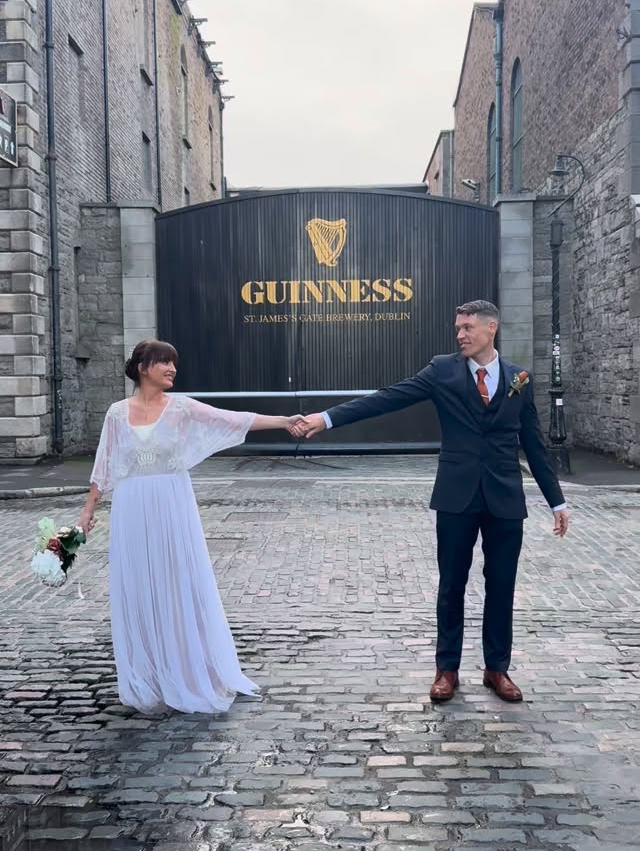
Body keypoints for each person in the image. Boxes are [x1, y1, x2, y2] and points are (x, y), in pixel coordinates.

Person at [294, 300, 569, 703]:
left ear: (491, 328)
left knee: (502, 585)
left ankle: (497, 669)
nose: (460, 334)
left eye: (468, 327)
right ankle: (447, 669)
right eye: (457, 327)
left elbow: (534, 445)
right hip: (456, 497)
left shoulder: (519, 379)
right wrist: (327, 418)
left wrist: (557, 502)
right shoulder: (442, 371)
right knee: (452, 585)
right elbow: (388, 398)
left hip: (505, 499)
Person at [78, 339, 304, 716]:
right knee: (139, 588)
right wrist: (87, 511)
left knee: (176, 584)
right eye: (164, 362)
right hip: (132, 509)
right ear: (142, 367)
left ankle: (185, 671)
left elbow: (231, 418)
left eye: (173, 364)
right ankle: (148, 675)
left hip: (171, 506)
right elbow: (104, 465)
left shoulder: (181, 408)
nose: (172, 369)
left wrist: (283, 421)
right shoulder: (117, 414)